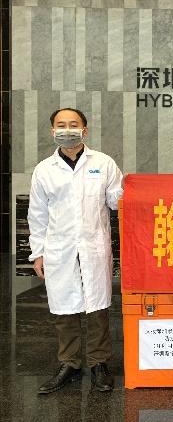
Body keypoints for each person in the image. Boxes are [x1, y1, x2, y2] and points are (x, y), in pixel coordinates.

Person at [28, 108, 123, 394]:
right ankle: (69, 363)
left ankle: (99, 363)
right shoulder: (44, 170)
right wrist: (38, 253)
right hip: (59, 248)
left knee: (98, 307)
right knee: (64, 307)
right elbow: (37, 215)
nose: (67, 130)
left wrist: (132, 192)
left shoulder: (103, 163)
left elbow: (117, 200)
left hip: (94, 246)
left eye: (73, 124)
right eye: (61, 125)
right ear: (52, 131)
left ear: (85, 130)